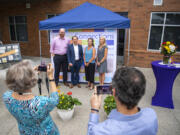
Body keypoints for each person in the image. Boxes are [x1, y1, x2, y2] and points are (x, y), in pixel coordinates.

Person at [87, 67, 158, 135]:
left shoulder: (102, 131)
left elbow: (91, 132)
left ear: (114, 92)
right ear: (142, 91)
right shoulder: (151, 116)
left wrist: (94, 109)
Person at [3, 60, 60, 135]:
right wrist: (51, 77)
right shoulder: (40, 103)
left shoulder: (7, 97)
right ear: (32, 81)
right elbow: (55, 99)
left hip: (25, 132)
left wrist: (28, 74)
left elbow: (17, 83)